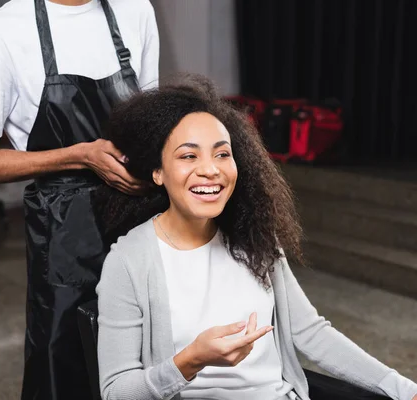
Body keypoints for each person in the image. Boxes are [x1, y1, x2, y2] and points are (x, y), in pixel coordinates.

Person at [93, 75, 417, 400]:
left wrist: (404, 389)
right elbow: (116, 391)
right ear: (157, 171)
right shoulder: (129, 261)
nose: (211, 169)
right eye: (188, 156)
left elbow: (311, 332)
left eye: (222, 154)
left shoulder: (253, 239)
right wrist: (190, 361)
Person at [0, 0, 159, 398]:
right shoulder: (0, 33)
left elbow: (153, 120)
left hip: (143, 218)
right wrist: (79, 154)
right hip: (66, 233)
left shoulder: (136, 10)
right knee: (67, 366)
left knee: (150, 360)